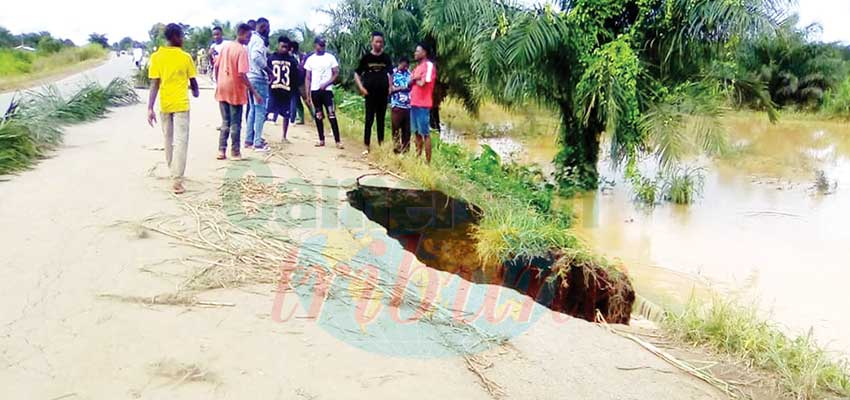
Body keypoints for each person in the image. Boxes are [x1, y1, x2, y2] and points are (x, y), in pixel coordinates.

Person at [146, 23, 199, 195]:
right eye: (181, 36)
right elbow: (193, 82)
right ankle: (177, 180)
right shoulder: (185, 57)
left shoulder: (156, 57)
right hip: (181, 105)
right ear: (175, 36)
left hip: (165, 104)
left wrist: (150, 108)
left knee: (168, 140)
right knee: (181, 142)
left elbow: (154, 84)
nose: (183, 39)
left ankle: (173, 172)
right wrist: (196, 91)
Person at [214, 23, 263, 161]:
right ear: (241, 34)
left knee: (225, 122)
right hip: (234, 90)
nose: (248, 39)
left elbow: (216, 66)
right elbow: (242, 74)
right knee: (235, 122)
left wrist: (219, 81)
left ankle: (221, 151)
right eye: (248, 36)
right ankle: (235, 152)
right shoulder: (241, 51)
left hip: (222, 88)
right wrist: (255, 92)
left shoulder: (225, 47)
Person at [354, 32, 393, 155]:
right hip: (369, 94)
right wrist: (361, 88)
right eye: (376, 41)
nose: (378, 44)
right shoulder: (366, 58)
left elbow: (390, 73)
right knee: (369, 120)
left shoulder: (386, 58)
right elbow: (356, 73)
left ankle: (381, 144)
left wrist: (391, 87)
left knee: (381, 120)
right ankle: (366, 145)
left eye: (381, 42)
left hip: (382, 94)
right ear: (372, 42)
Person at [304, 37, 343, 149]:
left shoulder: (330, 58)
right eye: (320, 45)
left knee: (332, 115)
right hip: (315, 90)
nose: (321, 47)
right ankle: (321, 139)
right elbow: (307, 77)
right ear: (315, 45)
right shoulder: (310, 59)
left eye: (323, 45)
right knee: (318, 115)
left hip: (327, 91)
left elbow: (336, 73)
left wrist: (327, 83)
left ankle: (338, 141)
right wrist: (307, 95)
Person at [245, 17, 272, 152]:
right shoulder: (259, 40)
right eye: (267, 27)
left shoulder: (250, 40)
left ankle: (249, 139)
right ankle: (257, 142)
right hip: (258, 78)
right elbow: (256, 56)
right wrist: (268, 71)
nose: (268, 30)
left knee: (253, 110)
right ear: (263, 27)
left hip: (249, 77)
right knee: (260, 110)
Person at [267, 36, 298, 143]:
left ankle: (284, 136)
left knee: (286, 114)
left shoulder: (292, 61)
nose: (284, 49)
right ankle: (257, 135)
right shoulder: (271, 58)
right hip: (273, 90)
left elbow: (295, 77)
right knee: (266, 112)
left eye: (286, 47)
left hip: (286, 92)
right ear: (278, 45)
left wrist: (293, 91)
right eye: (282, 46)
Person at [410, 43, 437, 163]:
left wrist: (415, 79)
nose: (415, 53)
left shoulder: (429, 66)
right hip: (414, 103)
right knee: (416, 132)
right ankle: (418, 157)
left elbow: (423, 83)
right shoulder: (417, 68)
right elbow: (409, 82)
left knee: (425, 133)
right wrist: (415, 79)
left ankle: (428, 162)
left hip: (423, 104)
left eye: (417, 51)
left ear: (424, 53)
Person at [390, 57, 412, 153]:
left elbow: (412, 87)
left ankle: (405, 151)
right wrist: (403, 88)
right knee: (395, 128)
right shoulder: (392, 74)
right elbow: (390, 90)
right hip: (397, 105)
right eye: (404, 65)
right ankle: (396, 148)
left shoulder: (410, 74)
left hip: (408, 106)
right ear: (400, 63)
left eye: (407, 66)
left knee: (406, 131)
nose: (405, 67)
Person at [289, 41, 306, 125]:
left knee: (297, 100)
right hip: (301, 81)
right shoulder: (302, 55)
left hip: (298, 81)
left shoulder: (293, 57)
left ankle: (293, 118)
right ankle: (301, 118)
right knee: (298, 101)